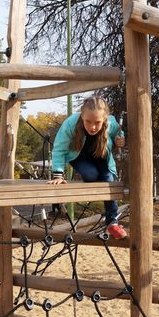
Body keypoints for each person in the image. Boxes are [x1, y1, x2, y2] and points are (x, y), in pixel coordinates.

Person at [47, 96, 127, 239]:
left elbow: (118, 134)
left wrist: (120, 139)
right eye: (88, 122)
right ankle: (92, 174)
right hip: (79, 157)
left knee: (108, 180)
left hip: (100, 157)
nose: (92, 127)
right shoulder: (70, 124)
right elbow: (59, 149)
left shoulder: (111, 123)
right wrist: (58, 175)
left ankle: (112, 222)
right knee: (91, 175)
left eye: (97, 122)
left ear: (105, 119)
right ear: (82, 116)